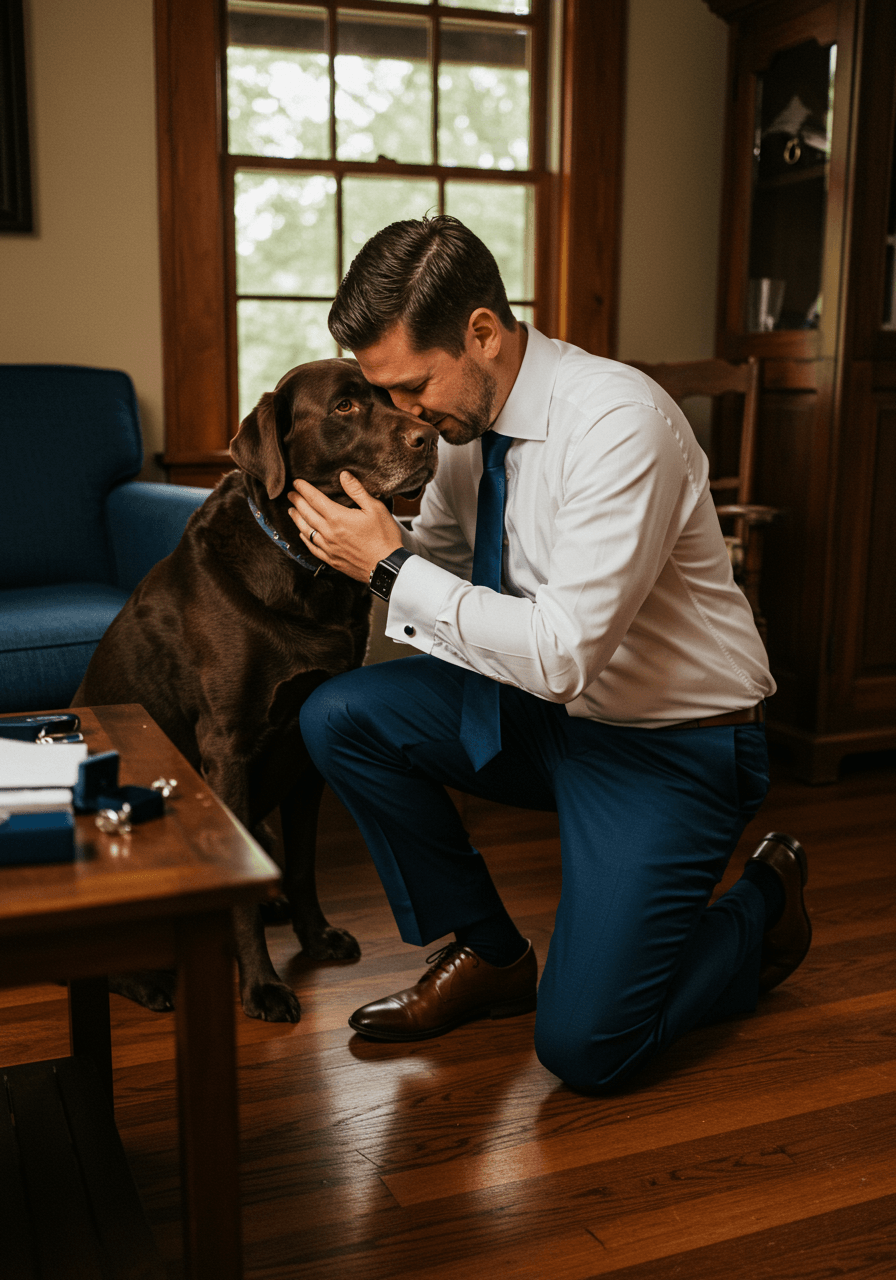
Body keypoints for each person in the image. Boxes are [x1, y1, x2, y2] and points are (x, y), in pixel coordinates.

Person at [286, 215, 810, 1092]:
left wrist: (386, 564)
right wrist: (360, 544)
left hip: (672, 744)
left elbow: (564, 653)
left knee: (589, 1049)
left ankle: (765, 903)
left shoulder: (616, 421)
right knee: (339, 715)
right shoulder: (462, 431)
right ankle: (491, 955)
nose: (407, 418)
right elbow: (450, 571)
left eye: (414, 387)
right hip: (546, 717)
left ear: (483, 332)